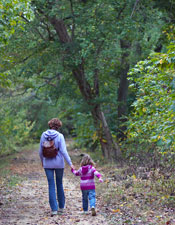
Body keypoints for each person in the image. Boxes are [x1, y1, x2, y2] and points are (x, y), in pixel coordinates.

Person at [39, 118, 74, 216]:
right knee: (59, 184)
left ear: (50, 125)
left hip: (47, 163)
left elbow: (40, 151)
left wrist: (42, 161)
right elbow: (63, 151)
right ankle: (61, 208)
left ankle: (54, 210)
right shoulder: (60, 136)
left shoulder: (43, 135)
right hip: (59, 164)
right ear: (58, 126)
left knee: (51, 185)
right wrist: (70, 163)